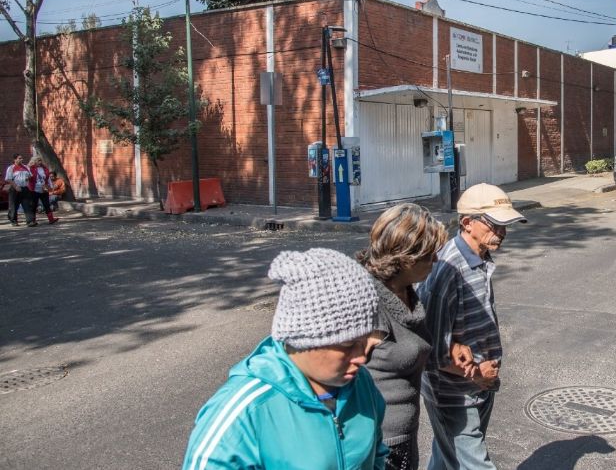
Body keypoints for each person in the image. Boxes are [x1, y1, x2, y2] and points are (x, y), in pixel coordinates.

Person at [182, 248, 390, 470]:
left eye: (365, 340)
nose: (362, 357)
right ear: (304, 338)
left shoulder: (362, 385)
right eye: (348, 345)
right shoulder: (246, 412)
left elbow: (376, 454)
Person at [417, 183, 527, 470]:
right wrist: (476, 373)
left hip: (480, 386)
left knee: (445, 457)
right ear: (467, 223)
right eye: (495, 225)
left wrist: (483, 377)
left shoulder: (480, 257)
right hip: (453, 394)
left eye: (505, 225)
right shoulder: (447, 271)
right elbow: (428, 349)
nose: (502, 232)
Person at [358, 204, 472, 470]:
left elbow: (409, 344)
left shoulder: (406, 289)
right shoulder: (367, 301)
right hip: (376, 445)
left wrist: (447, 347)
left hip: (403, 437)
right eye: (430, 255)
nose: (436, 260)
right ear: (407, 256)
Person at [4, 154, 35, 227]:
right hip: (15, 188)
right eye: (19, 158)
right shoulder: (11, 168)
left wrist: (27, 178)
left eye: (22, 158)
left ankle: (30, 221)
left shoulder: (26, 167)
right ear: (15, 159)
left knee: (27, 205)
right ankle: (13, 220)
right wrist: (16, 186)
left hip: (25, 188)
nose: (21, 159)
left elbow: (30, 175)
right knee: (14, 205)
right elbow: (8, 179)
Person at [28, 156, 59, 224]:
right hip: (34, 190)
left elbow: (48, 178)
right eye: (38, 160)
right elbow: (28, 178)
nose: (40, 162)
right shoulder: (31, 168)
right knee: (34, 205)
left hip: (44, 189)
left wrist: (50, 187)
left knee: (46, 204)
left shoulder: (44, 169)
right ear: (34, 161)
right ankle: (33, 220)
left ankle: (51, 219)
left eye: (40, 160)